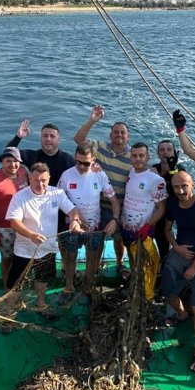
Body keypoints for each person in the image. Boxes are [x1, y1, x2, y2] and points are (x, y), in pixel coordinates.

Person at [5, 163, 83, 312]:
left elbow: (72, 210)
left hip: (47, 249)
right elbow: (14, 222)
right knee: (16, 282)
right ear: (29, 178)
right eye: (36, 180)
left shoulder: (57, 193)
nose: (40, 184)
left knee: (43, 278)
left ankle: (40, 303)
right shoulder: (19, 197)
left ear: (49, 179)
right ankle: (10, 308)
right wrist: (30, 235)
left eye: (44, 180)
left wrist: (74, 220)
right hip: (24, 250)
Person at [160, 172, 195, 373]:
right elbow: (167, 231)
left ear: (193, 184)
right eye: (176, 187)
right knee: (168, 293)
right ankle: (181, 314)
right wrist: (177, 247)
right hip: (180, 252)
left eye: (184, 186)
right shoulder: (173, 204)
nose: (181, 191)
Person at [73, 105, 133, 275]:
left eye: (122, 132)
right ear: (110, 135)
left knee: (119, 238)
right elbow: (78, 139)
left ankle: (121, 262)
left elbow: (143, 170)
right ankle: (95, 265)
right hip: (99, 206)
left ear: (128, 136)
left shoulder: (133, 155)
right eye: (116, 132)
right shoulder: (98, 147)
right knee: (97, 240)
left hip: (121, 207)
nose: (119, 135)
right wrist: (92, 120)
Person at [57, 143, 119, 300]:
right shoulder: (66, 175)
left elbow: (114, 202)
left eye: (86, 163)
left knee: (92, 257)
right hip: (72, 226)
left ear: (93, 160)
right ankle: (69, 287)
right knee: (70, 256)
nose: (81, 166)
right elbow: (58, 199)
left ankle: (88, 287)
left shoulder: (100, 175)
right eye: (77, 162)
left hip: (95, 226)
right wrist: (75, 217)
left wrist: (115, 219)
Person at [120, 143, 168, 295]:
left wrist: (149, 225)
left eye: (141, 155)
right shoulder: (131, 172)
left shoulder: (155, 180)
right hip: (127, 227)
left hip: (143, 230)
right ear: (130, 157)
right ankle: (134, 283)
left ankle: (146, 294)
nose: (138, 159)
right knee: (133, 259)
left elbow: (161, 208)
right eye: (134, 155)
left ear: (148, 157)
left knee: (145, 263)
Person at [0, 146, 29, 288]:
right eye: (8, 161)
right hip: (5, 228)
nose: (13, 165)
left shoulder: (24, 172)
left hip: (25, 225)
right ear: (2, 162)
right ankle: (8, 288)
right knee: (7, 259)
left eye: (16, 161)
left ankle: (20, 285)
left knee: (23, 259)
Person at [4, 120, 75, 185]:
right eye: (45, 136)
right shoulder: (31, 156)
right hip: (34, 196)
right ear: (41, 138)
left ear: (59, 140)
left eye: (52, 136)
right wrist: (18, 137)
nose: (48, 139)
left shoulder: (68, 160)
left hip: (59, 196)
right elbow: (7, 154)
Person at [151, 138, 182, 263]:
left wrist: (172, 167)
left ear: (174, 153)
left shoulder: (180, 169)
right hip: (159, 210)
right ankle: (162, 262)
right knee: (160, 237)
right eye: (162, 150)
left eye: (169, 150)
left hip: (174, 211)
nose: (166, 152)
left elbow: (178, 185)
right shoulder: (154, 168)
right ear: (158, 153)